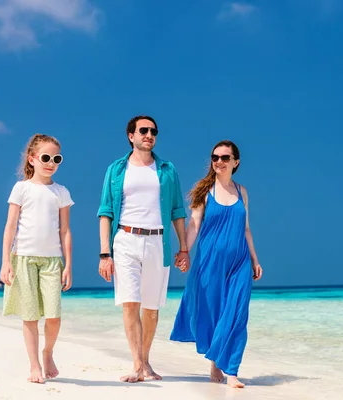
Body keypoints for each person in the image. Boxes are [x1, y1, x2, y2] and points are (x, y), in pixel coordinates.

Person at [97, 115, 189, 383]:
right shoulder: (116, 170)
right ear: (131, 135)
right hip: (125, 239)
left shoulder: (167, 170)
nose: (149, 135)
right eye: (143, 130)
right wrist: (105, 254)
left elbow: (177, 211)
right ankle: (137, 364)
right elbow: (106, 212)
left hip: (157, 242)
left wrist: (183, 248)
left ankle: (145, 360)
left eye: (153, 131)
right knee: (130, 302)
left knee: (151, 308)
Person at [170, 140, 263, 389]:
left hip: (239, 261)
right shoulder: (204, 191)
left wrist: (254, 258)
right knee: (212, 311)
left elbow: (246, 228)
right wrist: (184, 251)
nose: (219, 162)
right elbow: (194, 224)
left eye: (224, 157)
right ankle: (215, 362)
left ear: (236, 162)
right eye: (215, 157)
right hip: (210, 261)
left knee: (237, 313)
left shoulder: (242, 192)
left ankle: (231, 371)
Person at [0, 133, 74, 384]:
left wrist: (68, 266)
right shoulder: (21, 188)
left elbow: (65, 231)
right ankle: (34, 365)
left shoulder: (61, 192)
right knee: (30, 316)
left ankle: (48, 352)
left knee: (54, 316)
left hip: (52, 260)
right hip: (24, 259)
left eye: (56, 158)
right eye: (45, 157)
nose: (51, 162)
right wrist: (5, 262)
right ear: (32, 159)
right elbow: (10, 226)